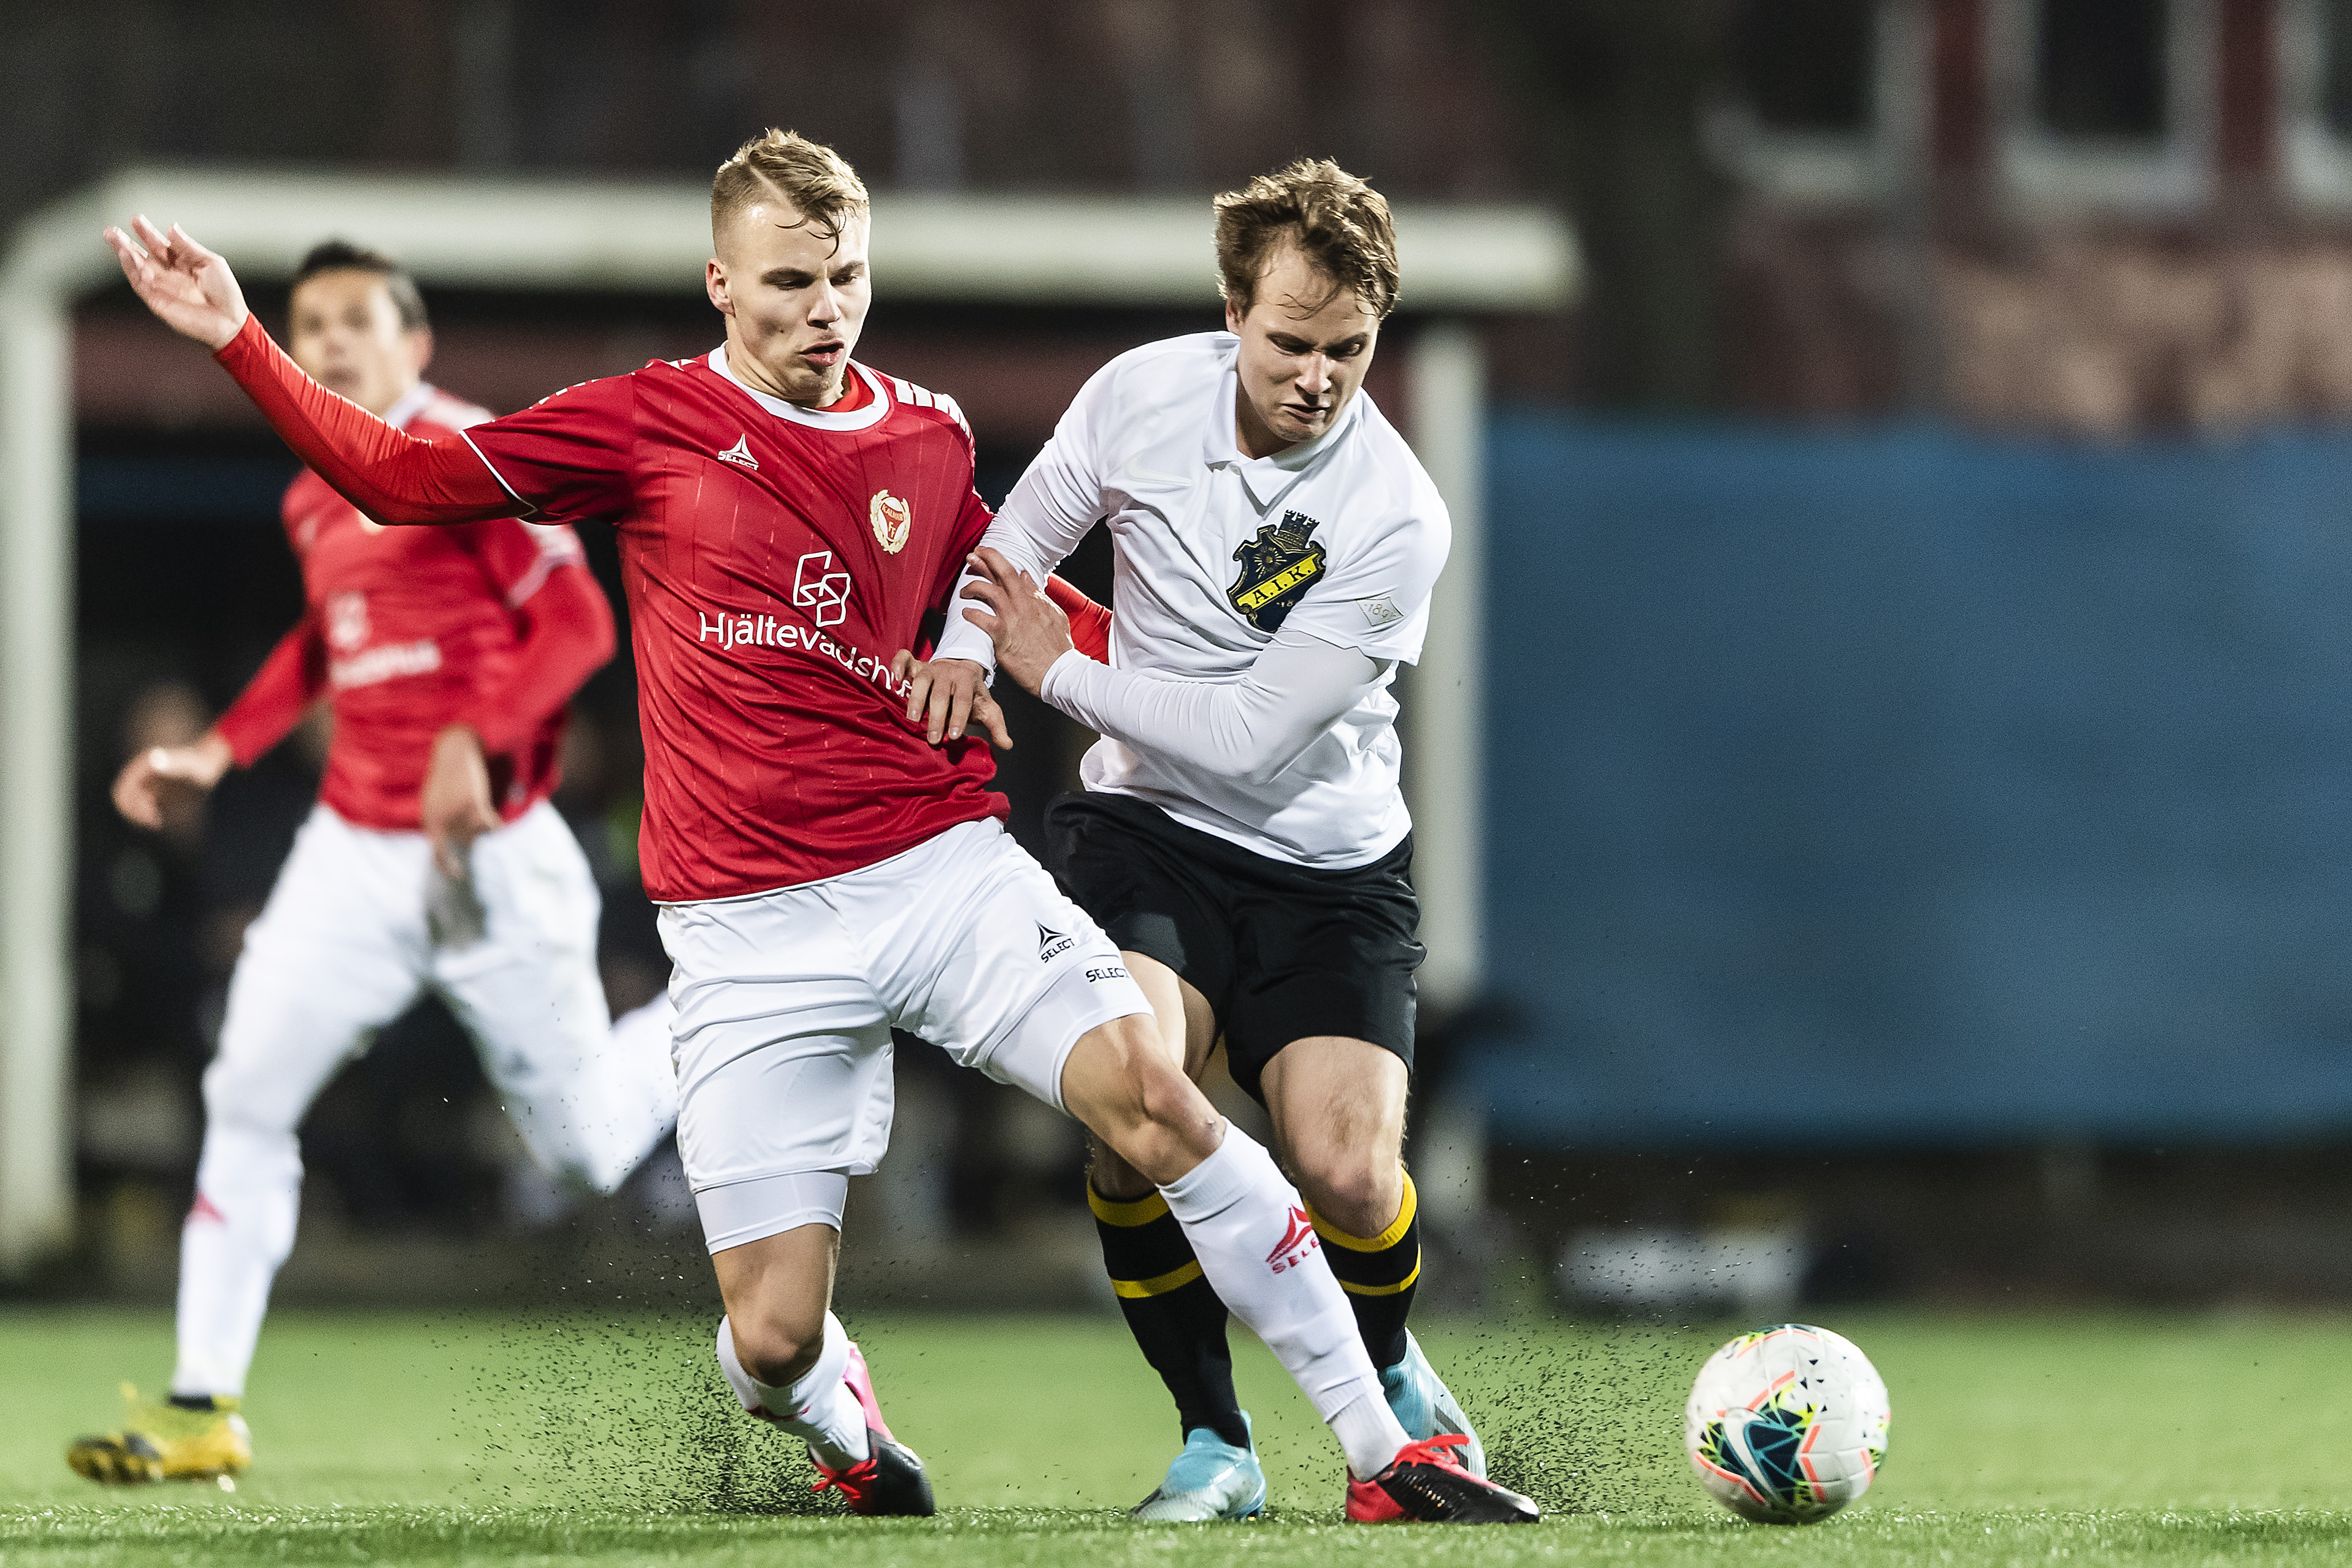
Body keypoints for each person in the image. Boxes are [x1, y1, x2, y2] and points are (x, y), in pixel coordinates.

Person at [100, 130, 1537, 1524]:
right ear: (722, 286)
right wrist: (239, 336)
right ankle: (846, 1432)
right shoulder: (645, 422)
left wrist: (1120, 686)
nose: (823, 307)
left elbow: (1014, 601)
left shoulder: (926, 435)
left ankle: (1379, 1449)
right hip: (744, 934)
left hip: (940, 873)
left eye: (844, 275)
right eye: (788, 281)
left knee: (1154, 1098)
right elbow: (398, 480)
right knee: (776, 1339)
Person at [915, 159, 1485, 1522]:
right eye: (1291, 341)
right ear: (1233, 309)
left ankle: (1391, 1373)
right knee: (1131, 1111)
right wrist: (957, 654)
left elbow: (1246, 740)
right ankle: (1215, 1445)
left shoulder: (1396, 517)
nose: (1320, 376)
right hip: (1147, 833)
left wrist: (1054, 675)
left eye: (1351, 348)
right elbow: (1011, 549)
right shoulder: (1136, 398)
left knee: (1351, 1177)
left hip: (1330, 869)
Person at [68, 242, 680, 1488]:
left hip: (493, 855)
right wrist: (220, 750)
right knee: (244, 1094)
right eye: (313, 322)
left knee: (585, 1154)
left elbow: (579, 623)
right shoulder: (314, 493)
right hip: (353, 848)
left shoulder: (467, 456)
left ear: (418, 347)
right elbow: (324, 640)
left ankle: (716, 1015)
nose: (334, 339)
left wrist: (476, 735)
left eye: (359, 319)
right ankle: (202, 1410)